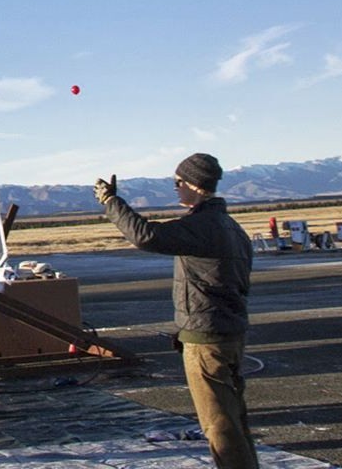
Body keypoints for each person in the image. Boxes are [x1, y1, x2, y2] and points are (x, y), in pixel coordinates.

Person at [95, 154, 258, 469]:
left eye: (178, 182)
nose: (175, 188)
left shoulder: (203, 226)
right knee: (235, 417)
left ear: (195, 185)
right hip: (230, 332)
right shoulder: (231, 226)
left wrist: (111, 202)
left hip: (206, 338)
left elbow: (147, 236)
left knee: (218, 423)